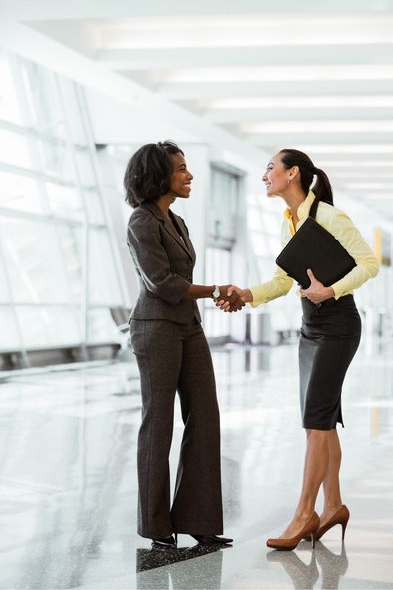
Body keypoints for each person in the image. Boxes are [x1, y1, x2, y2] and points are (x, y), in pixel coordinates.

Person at [222, 148, 379, 551]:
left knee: (315, 422)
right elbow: (281, 280)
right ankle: (334, 506)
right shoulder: (288, 221)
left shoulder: (328, 216)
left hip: (339, 326)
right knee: (322, 420)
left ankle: (304, 513)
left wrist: (331, 289)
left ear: (292, 174)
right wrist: (247, 294)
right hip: (311, 329)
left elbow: (369, 263)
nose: (264, 176)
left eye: (270, 168)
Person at [124, 140, 243, 549]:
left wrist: (211, 294)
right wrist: (214, 290)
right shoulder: (141, 221)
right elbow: (162, 282)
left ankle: (198, 518)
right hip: (155, 327)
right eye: (180, 169)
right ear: (159, 176)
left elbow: (180, 281)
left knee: (205, 415)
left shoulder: (176, 221)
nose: (188, 175)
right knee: (159, 424)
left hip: (188, 326)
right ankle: (157, 525)